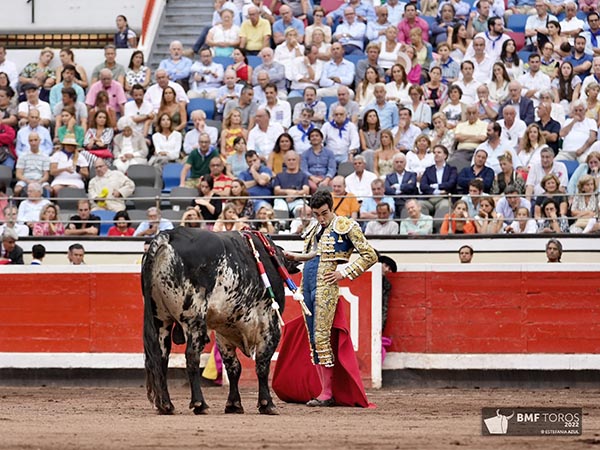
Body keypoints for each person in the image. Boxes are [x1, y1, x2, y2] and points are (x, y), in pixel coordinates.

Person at [282, 189, 377, 407]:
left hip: (325, 286)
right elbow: (314, 255)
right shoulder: (316, 227)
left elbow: (370, 255)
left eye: (324, 213)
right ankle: (324, 390)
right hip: (307, 283)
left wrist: (344, 273)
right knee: (313, 339)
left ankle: (327, 393)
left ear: (331, 207)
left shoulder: (345, 225)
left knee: (321, 337)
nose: (321, 219)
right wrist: (294, 256)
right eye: (316, 214)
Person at [273, 150, 310, 219]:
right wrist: (287, 192)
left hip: (298, 200)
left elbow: (306, 190)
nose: (291, 162)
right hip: (282, 200)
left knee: (301, 210)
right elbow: (276, 191)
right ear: (285, 161)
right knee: (280, 209)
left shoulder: (303, 176)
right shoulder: (279, 175)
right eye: (289, 160)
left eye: (293, 159)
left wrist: (294, 194)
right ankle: (281, 227)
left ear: (298, 160)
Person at [14, 132, 51, 197]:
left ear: (40, 141)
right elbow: (18, 174)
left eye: (35, 140)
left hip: (40, 180)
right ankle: (18, 205)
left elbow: (46, 176)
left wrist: (39, 182)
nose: (33, 143)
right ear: (28, 142)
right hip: (25, 180)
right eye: (31, 141)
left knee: (49, 190)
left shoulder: (45, 156)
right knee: (17, 190)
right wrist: (28, 181)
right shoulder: (22, 156)